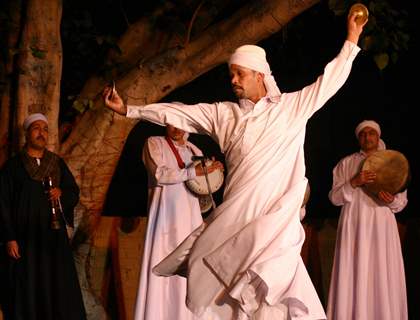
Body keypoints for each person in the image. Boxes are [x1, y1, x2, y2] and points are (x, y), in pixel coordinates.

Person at [104, 11, 366, 319]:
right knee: (228, 295)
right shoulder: (224, 115)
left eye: (240, 74)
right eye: (231, 74)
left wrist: (352, 38)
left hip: (273, 222)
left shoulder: (291, 108)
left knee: (274, 293)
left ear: (259, 75)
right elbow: (178, 113)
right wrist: (130, 110)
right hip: (236, 219)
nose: (233, 80)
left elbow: (330, 80)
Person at [0, 113, 86, 320]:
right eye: (36, 128)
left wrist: (61, 193)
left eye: (45, 129)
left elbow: (73, 191)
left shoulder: (56, 163)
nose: (41, 133)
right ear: (28, 133)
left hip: (52, 237)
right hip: (25, 239)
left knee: (56, 285)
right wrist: (9, 237)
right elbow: (2, 202)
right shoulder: (13, 167)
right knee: (27, 286)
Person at [135, 124, 223, 320]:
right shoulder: (154, 143)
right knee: (161, 266)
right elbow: (159, 174)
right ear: (165, 125)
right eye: (172, 124)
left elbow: (201, 190)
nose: (177, 128)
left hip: (191, 219)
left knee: (189, 269)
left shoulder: (195, 150)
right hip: (164, 219)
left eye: (181, 123)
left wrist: (213, 172)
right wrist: (194, 173)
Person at [326, 120, 408, 320]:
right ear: (358, 139)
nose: (367, 137)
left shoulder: (393, 161)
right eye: (363, 134)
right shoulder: (346, 164)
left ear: (378, 136)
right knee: (355, 269)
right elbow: (334, 198)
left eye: (371, 133)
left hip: (381, 225)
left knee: (382, 271)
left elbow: (401, 203)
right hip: (354, 225)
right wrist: (354, 182)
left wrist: (392, 200)